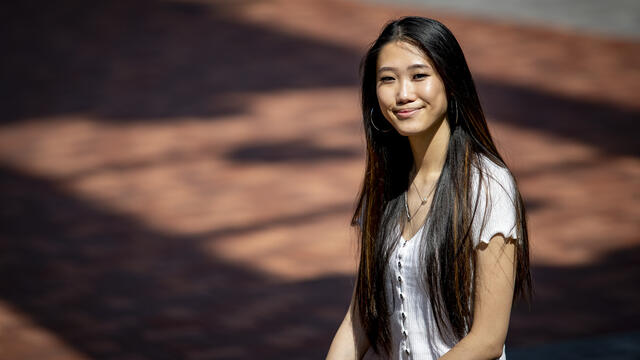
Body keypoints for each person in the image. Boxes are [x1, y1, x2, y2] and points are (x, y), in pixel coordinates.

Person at [326, 17, 531, 360]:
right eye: (388, 79)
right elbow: (360, 317)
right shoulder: (385, 184)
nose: (404, 93)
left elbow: (488, 339)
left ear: (450, 83)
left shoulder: (487, 184)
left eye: (419, 76)